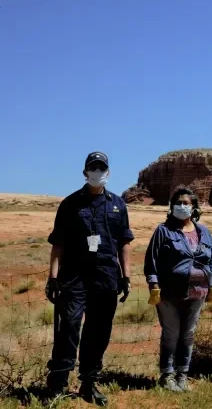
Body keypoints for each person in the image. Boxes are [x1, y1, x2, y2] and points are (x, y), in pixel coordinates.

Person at [44, 152, 134, 406]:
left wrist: (126, 276)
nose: (97, 171)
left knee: (99, 330)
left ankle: (88, 383)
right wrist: (52, 277)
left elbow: (124, 243)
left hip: (106, 277)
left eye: (101, 167)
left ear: (108, 172)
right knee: (68, 328)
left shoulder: (118, 204)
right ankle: (58, 383)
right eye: (93, 167)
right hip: (73, 278)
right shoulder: (70, 204)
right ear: (85, 172)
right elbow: (58, 244)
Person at [144, 188, 212, 392]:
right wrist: (154, 284)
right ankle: (167, 375)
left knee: (188, 334)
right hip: (169, 292)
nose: (182, 206)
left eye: (186, 203)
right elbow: (152, 260)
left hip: (198, 292)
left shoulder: (203, 231)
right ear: (171, 207)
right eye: (178, 202)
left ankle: (182, 374)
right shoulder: (163, 230)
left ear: (193, 207)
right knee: (171, 333)